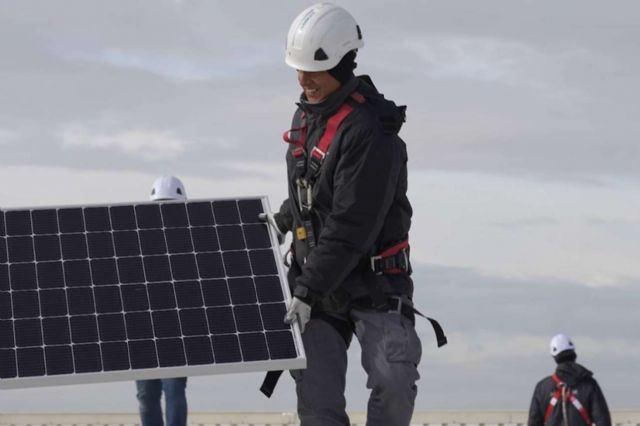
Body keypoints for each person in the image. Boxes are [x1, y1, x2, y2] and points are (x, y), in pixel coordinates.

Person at [262, 3, 445, 425]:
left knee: (392, 382)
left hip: (373, 284)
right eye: (297, 69)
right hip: (321, 286)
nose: (302, 80)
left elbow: (351, 223)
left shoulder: (370, 133)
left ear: (343, 63)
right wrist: (284, 220)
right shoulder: (307, 118)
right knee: (318, 402)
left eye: (313, 70)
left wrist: (305, 291)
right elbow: (316, 194)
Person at [135, 175, 188, 426]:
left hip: (175, 332)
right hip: (143, 331)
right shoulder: (137, 241)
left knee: (174, 390)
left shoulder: (190, 243)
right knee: (146, 395)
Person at [528, 334, 611, 426]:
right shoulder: (589, 384)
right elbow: (603, 420)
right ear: (574, 354)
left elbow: (533, 422)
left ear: (554, 357)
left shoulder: (542, 388)